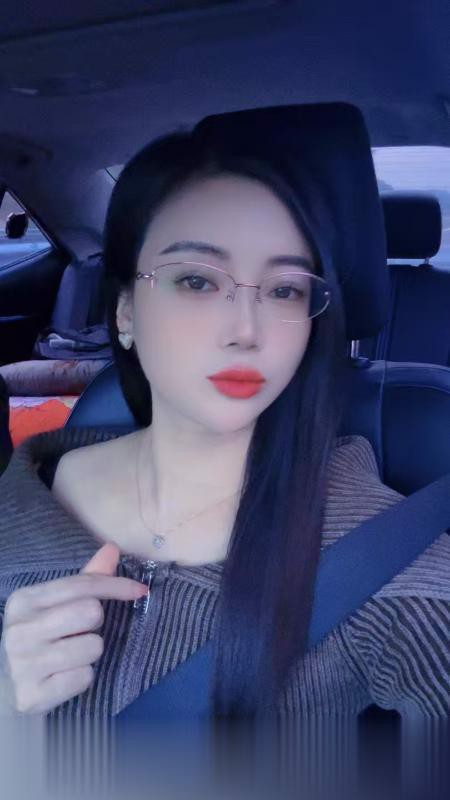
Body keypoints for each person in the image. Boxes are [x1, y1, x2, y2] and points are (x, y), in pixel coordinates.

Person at [0, 110, 448, 740]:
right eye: (196, 280)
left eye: (285, 289)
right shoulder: (21, 501)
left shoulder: (387, 559)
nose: (246, 329)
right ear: (125, 311)